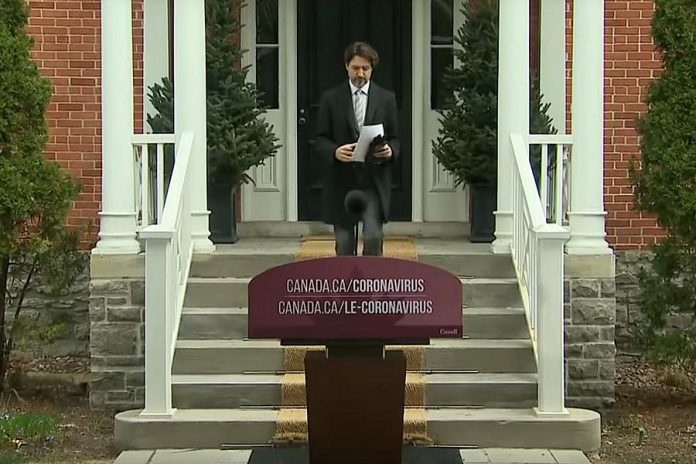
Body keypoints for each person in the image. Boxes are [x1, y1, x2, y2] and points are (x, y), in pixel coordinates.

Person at [314, 41, 400, 256]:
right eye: (355, 68)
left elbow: (396, 138)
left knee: (372, 237)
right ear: (346, 66)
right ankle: (347, 288)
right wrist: (334, 152)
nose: (360, 73)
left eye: (365, 68)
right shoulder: (330, 98)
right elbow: (319, 140)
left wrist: (390, 150)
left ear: (372, 68)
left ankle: (371, 285)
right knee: (344, 243)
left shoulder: (386, 98)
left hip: (372, 181)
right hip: (342, 182)